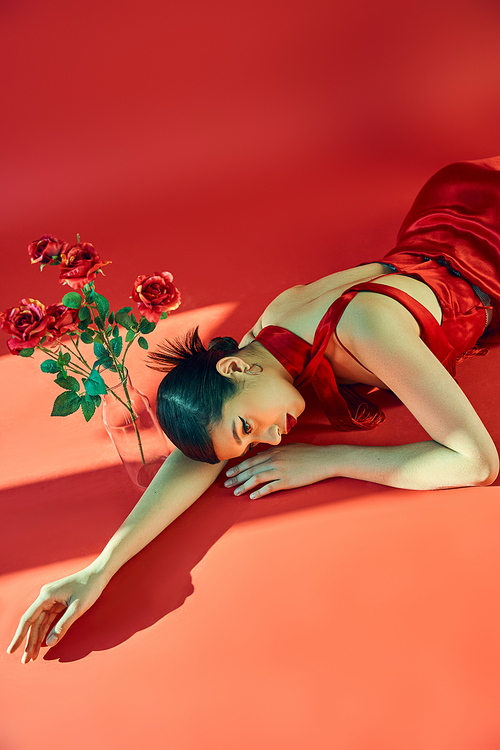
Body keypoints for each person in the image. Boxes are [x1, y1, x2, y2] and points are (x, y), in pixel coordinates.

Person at [7, 156, 500, 663]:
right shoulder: (263, 348)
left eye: (247, 428)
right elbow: (203, 450)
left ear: (234, 372)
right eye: (249, 442)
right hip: (441, 221)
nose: (267, 441)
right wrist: (100, 569)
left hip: (484, 234)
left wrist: (328, 460)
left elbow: (477, 463)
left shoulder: (365, 329)